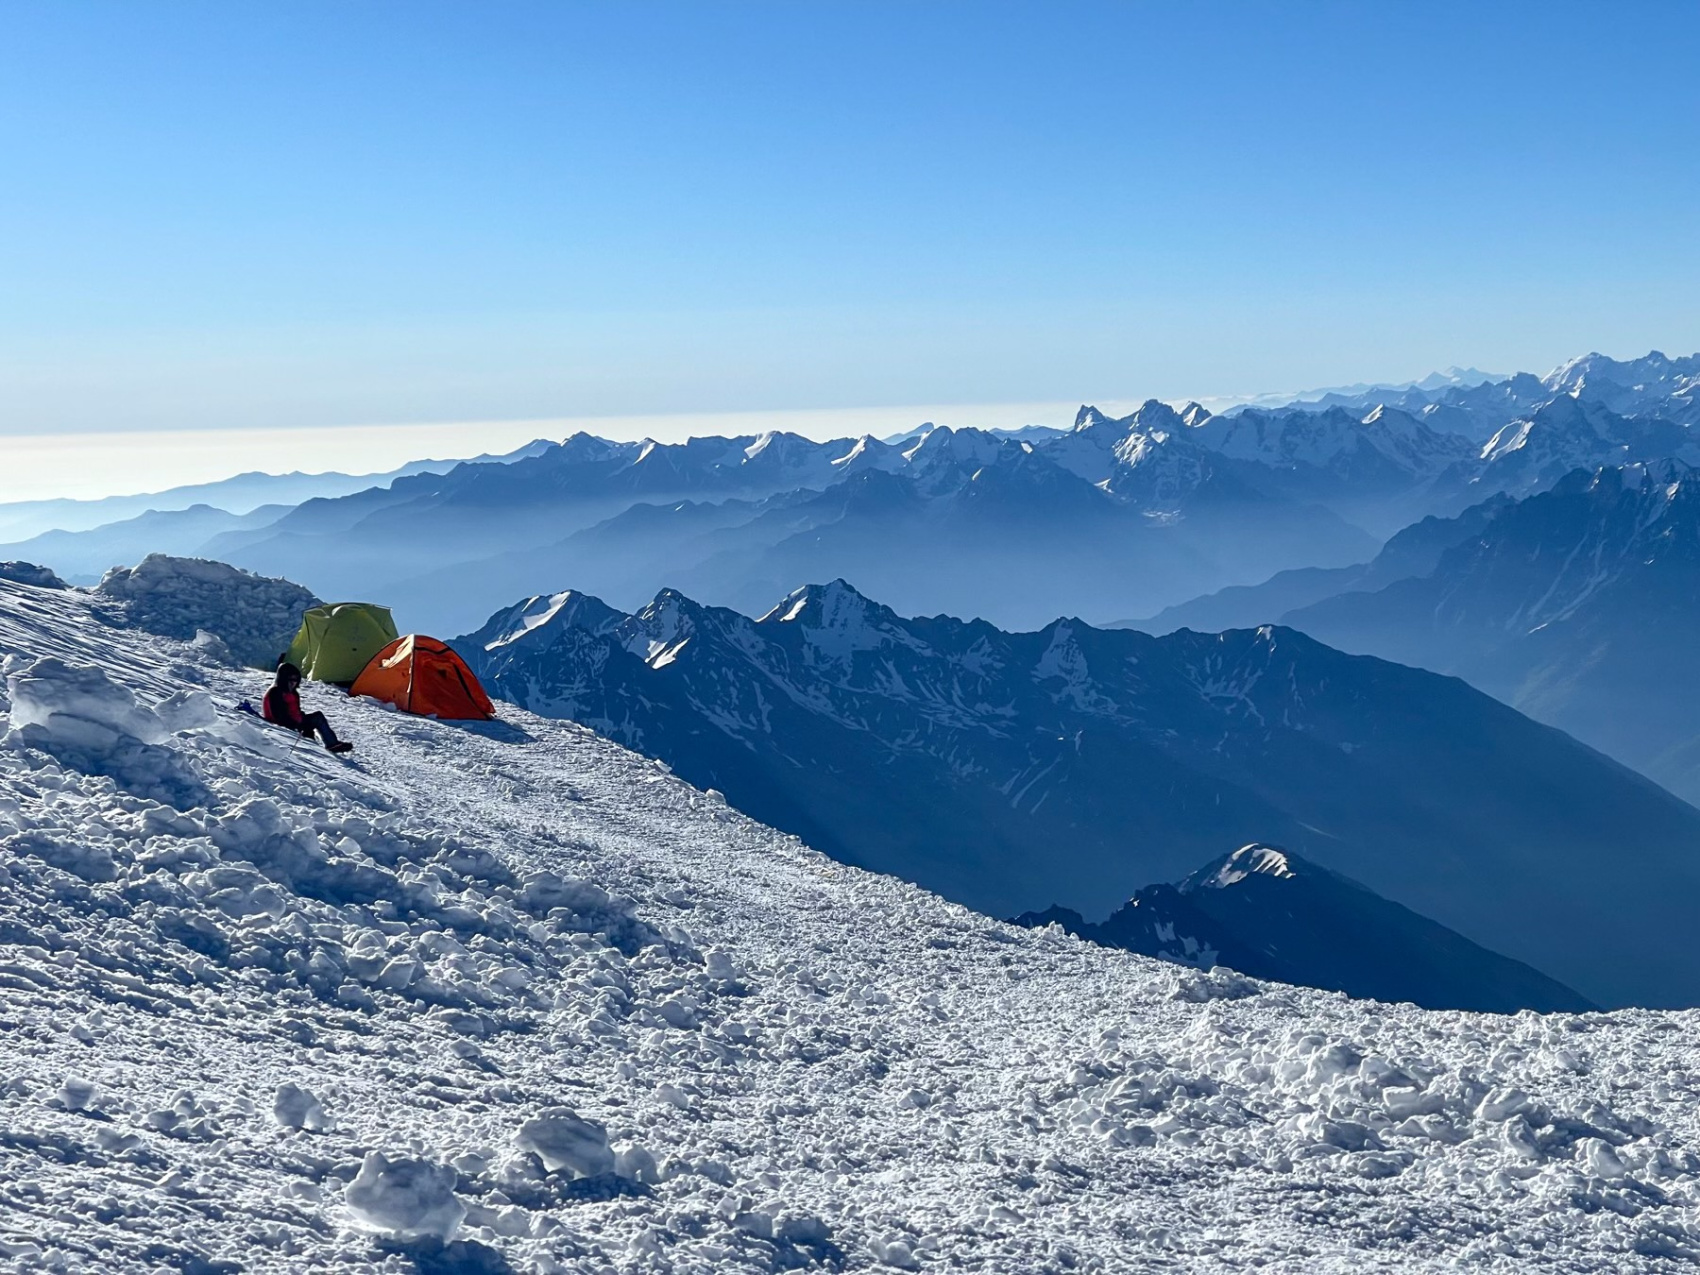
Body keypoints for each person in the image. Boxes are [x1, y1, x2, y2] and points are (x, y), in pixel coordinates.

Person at [263, 662, 354, 754]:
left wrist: (301, 718)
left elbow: (294, 711)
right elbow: (279, 715)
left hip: (296, 722)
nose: (293, 683)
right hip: (285, 724)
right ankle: (332, 744)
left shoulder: (293, 693)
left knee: (314, 721)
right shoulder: (275, 692)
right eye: (290, 679)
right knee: (318, 718)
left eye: (295, 680)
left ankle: (318, 746)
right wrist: (297, 725)